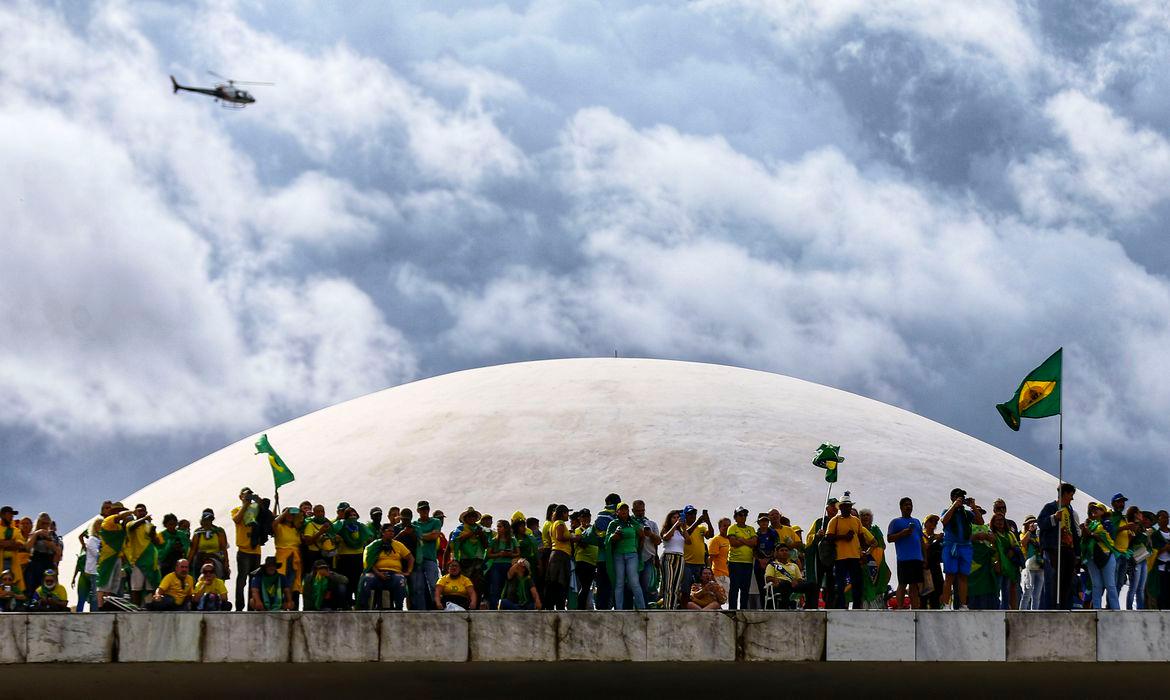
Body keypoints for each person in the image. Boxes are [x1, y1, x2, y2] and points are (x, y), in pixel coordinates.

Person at [825, 495, 875, 610]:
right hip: (840, 558)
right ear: (841, 507)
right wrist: (844, 537)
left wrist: (863, 552)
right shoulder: (834, 521)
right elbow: (828, 537)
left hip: (855, 557)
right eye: (845, 506)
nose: (847, 508)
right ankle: (841, 607)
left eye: (849, 506)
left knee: (857, 583)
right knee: (841, 584)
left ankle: (856, 607)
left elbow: (861, 538)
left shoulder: (856, 520)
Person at [939, 488, 984, 610]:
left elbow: (980, 521)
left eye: (962, 497)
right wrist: (954, 506)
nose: (961, 499)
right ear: (952, 498)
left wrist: (973, 507)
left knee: (963, 576)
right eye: (958, 497)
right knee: (949, 576)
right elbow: (944, 520)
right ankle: (946, 604)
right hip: (951, 546)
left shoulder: (966, 513)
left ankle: (963, 604)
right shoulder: (947, 511)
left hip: (965, 547)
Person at [1038, 483, 1080, 609]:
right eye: (1070, 495)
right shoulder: (1050, 507)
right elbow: (1041, 523)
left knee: (1067, 580)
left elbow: (1073, 530)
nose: (1072, 498)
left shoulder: (1069, 510)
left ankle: (1063, 607)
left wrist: (1077, 553)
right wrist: (1054, 518)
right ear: (1064, 494)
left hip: (1068, 549)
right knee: (1052, 580)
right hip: (1053, 549)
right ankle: (1049, 609)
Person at [361, 523, 413, 610]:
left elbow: (410, 558)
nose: (392, 533)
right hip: (376, 573)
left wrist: (409, 571)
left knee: (400, 580)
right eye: (389, 531)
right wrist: (378, 573)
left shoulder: (398, 545)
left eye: (393, 531)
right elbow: (368, 562)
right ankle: (364, 608)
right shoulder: (374, 545)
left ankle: (399, 608)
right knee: (366, 580)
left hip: (394, 574)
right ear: (383, 532)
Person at [887, 497, 927, 609]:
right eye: (906, 505)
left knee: (914, 585)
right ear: (901, 507)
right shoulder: (895, 522)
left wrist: (925, 557)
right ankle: (900, 608)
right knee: (903, 583)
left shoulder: (917, 522)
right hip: (904, 558)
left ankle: (915, 608)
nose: (908, 506)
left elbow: (921, 541)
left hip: (917, 558)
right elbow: (889, 538)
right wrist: (902, 534)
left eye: (910, 504)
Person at [605, 502, 645, 610]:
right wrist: (614, 536)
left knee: (634, 581)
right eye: (621, 509)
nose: (624, 511)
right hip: (618, 555)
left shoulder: (633, 523)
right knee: (619, 583)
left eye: (626, 509)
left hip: (632, 555)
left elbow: (642, 536)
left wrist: (638, 549)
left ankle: (642, 609)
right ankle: (619, 609)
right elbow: (607, 539)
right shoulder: (613, 524)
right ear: (617, 512)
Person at [123, 504, 163, 606]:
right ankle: (135, 608)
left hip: (150, 560)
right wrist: (144, 519)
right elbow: (132, 527)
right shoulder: (130, 524)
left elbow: (157, 542)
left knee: (150, 587)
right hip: (138, 560)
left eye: (143, 511)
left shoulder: (149, 525)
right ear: (135, 513)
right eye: (139, 511)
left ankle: (149, 607)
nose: (141, 513)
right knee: (136, 588)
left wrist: (152, 532)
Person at [1083, 502, 1120, 610]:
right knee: (1096, 585)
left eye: (1097, 509)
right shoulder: (1090, 524)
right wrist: (1085, 528)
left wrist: (1091, 534)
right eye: (1093, 509)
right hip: (1092, 557)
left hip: (1106, 555)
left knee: (1110, 585)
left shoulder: (1107, 523)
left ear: (1103, 512)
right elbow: (1084, 538)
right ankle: (1097, 610)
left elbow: (1107, 538)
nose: (1094, 510)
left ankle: (1116, 610)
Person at [96, 502, 134, 609]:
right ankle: (100, 607)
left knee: (113, 584)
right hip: (108, 557)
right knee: (104, 583)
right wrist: (131, 512)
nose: (120, 513)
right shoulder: (108, 521)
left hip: (117, 556)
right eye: (118, 511)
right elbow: (119, 518)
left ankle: (108, 606)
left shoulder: (119, 526)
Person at [331, 505, 370, 607]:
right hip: (344, 558)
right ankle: (346, 604)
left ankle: (359, 605)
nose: (353, 517)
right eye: (350, 515)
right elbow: (331, 532)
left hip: (358, 557)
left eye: (354, 515)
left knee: (358, 582)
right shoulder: (340, 525)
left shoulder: (361, 526)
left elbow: (369, 538)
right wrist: (337, 538)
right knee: (346, 582)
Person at [450, 507, 489, 608]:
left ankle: (476, 607)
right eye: (469, 516)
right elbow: (455, 541)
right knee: (465, 585)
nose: (472, 518)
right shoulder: (460, 529)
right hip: (465, 561)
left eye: (473, 516)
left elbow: (486, 545)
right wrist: (472, 533)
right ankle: (465, 606)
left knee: (478, 585)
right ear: (465, 518)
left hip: (478, 561)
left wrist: (481, 534)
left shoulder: (481, 529)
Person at [231, 490, 263, 611]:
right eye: (246, 494)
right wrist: (245, 504)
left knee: (253, 581)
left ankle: (251, 607)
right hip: (243, 549)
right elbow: (236, 519)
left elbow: (267, 517)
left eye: (250, 494)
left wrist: (259, 502)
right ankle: (239, 607)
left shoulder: (257, 508)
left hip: (256, 550)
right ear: (240, 497)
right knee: (242, 580)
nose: (248, 496)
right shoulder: (237, 509)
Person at [807, 498, 840, 609]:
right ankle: (813, 606)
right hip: (820, 556)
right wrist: (817, 535)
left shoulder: (839, 522)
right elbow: (809, 538)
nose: (835, 508)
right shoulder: (819, 522)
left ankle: (830, 607)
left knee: (832, 583)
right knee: (817, 582)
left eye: (836, 506)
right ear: (827, 508)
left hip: (834, 556)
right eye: (832, 506)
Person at [413, 500, 443, 611]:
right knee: (419, 587)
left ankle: (436, 607)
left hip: (430, 558)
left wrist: (419, 535)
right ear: (418, 510)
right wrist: (428, 535)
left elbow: (434, 536)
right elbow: (429, 535)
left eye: (426, 509)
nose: (424, 511)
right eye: (422, 509)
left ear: (429, 509)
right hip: (417, 560)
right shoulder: (414, 524)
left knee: (434, 585)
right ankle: (421, 610)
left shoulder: (436, 521)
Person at [858, 508, 891, 609]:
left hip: (876, 562)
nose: (865, 517)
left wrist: (871, 550)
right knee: (864, 584)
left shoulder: (875, 529)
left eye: (867, 515)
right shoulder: (858, 530)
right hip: (863, 562)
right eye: (863, 515)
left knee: (878, 582)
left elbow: (882, 545)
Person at [764, 543, 814, 609]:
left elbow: (800, 579)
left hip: (793, 585)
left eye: (786, 550)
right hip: (780, 586)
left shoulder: (794, 565)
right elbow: (768, 578)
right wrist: (778, 580)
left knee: (812, 585)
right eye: (782, 550)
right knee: (786, 583)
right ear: (777, 553)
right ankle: (786, 607)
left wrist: (796, 581)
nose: (784, 552)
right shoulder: (772, 565)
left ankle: (810, 608)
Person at [989, 512, 1023, 609]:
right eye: (997, 520)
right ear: (993, 522)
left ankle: (1006, 611)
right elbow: (991, 549)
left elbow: (1017, 546)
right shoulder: (991, 534)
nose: (1000, 522)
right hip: (997, 567)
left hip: (1009, 568)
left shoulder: (1010, 534)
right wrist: (995, 562)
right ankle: (995, 611)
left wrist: (1013, 550)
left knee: (1006, 593)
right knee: (996, 592)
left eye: (1002, 520)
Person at [24, 512, 62, 598]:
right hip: (36, 563)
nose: (45, 525)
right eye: (43, 523)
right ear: (38, 523)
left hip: (49, 564)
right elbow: (27, 547)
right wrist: (37, 533)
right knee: (33, 588)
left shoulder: (52, 535)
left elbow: (59, 553)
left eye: (47, 523)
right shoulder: (34, 534)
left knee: (49, 588)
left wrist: (51, 545)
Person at [726, 507, 757, 610]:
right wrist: (748, 541)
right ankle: (732, 610)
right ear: (735, 517)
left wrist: (742, 540)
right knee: (734, 587)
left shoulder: (751, 529)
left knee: (745, 588)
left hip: (748, 562)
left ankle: (744, 609)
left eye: (745, 515)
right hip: (735, 562)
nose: (743, 517)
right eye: (740, 515)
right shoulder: (732, 528)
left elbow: (754, 543)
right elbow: (733, 543)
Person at [272, 507, 305, 605]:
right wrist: (285, 512)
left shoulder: (296, 530)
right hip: (282, 558)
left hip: (295, 558)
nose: (290, 516)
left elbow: (302, 519)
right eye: (288, 514)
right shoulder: (279, 527)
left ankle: (289, 604)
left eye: (292, 514)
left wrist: (300, 513)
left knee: (292, 582)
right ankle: (279, 604)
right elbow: (273, 523)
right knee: (281, 581)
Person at [631, 500, 660, 606]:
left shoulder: (651, 524)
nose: (640, 513)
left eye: (642, 510)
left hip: (648, 559)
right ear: (633, 510)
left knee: (647, 585)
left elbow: (658, 541)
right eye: (638, 511)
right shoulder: (630, 523)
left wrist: (650, 534)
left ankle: (646, 607)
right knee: (633, 585)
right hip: (633, 558)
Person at [485, 519, 520, 610]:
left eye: (500, 527)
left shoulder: (512, 540)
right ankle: (494, 608)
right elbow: (489, 554)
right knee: (495, 588)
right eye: (497, 527)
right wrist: (499, 554)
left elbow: (518, 553)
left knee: (508, 588)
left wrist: (510, 554)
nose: (498, 529)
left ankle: (506, 607)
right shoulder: (494, 540)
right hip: (497, 565)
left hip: (509, 566)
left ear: (506, 528)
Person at [187, 509, 229, 582]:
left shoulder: (219, 531)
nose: (207, 521)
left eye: (209, 519)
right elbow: (193, 549)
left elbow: (223, 548)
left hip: (215, 556)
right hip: (201, 557)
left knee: (219, 571)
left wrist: (226, 562)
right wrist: (188, 562)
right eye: (205, 519)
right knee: (197, 571)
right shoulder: (198, 532)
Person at [546, 505, 573, 610]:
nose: (568, 515)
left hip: (554, 555)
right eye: (567, 513)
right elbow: (559, 537)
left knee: (554, 584)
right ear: (563, 513)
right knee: (561, 584)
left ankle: (551, 608)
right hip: (561, 555)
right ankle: (560, 609)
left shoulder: (552, 524)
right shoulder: (560, 523)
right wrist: (573, 537)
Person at [659, 509, 687, 609]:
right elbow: (666, 537)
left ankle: (673, 607)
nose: (676, 519)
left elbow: (688, 541)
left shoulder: (681, 532)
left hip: (680, 557)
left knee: (676, 585)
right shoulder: (666, 529)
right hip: (669, 556)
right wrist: (675, 525)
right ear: (669, 519)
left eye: (678, 517)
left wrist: (684, 528)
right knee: (668, 584)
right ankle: (667, 607)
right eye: (674, 518)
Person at [1124, 506, 1150, 609]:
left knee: (1141, 588)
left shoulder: (1141, 527)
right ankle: (1129, 609)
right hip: (1134, 559)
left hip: (1142, 558)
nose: (1141, 515)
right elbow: (1132, 541)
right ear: (1135, 514)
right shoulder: (1132, 525)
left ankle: (1140, 610)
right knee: (1133, 587)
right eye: (1139, 513)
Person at [573, 509, 599, 609]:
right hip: (583, 561)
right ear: (579, 518)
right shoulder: (579, 530)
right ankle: (580, 609)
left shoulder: (593, 529)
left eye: (588, 516)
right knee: (585, 587)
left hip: (592, 562)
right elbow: (583, 544)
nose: (586, 519)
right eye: (583, 517)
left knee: (588, 587)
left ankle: (583, 607)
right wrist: (589, 537)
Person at [73, 519, 101, 612]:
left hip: (87, 570)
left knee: (91, 596)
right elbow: (79, 562)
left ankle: (89, 613)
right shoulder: (92, 540)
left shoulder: (99, 541)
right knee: (88, 597)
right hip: (89, 571)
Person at [682, 507, 713, 590]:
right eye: (690, 514)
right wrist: (697, 522)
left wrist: (708, 521)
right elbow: (686, 533)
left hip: (700, 564)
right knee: (686, 588)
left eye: (694, 514)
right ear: (685, 515)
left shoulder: (701, 528)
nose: (693, 516)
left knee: (699, 588)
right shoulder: (683, 527)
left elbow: (710, 535)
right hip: (687, 563)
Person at [753, 512, 779, 608]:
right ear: (758, 523)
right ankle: (763, 608)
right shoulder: (755, 535)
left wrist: (768, 560)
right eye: (762, 521)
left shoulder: (773, 533)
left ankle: (773, 608)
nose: (764, 523)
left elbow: (777, 547)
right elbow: (753, 549)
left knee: (773, 586)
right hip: (759, 564)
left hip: (771, 563)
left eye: (766, 521)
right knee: (762, 588)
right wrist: (760, 560)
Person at [1019, 515, 1044, 610]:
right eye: (1030, 522)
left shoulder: (1038, 535)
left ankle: (1035, 613)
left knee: (1037, 595)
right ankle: (1022, 613)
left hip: (1039, 566)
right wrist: (1029, 531)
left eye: (1034, 522)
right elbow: (1023, 543)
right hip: (1028, 568)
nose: (1033, 524)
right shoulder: (1023, 534)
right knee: (1027, 593)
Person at [0, 507, 27, 595]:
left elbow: (20, 544)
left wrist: (4, 543)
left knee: (12, 586)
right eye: (9, 514)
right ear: (2, 515)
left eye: (12, 515)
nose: (12, 516)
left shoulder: (15, 530)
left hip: (12, 563)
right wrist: (12, 542)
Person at [922, 514, 944, 609]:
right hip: (925, 569)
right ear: (925, 523)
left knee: (937, 596)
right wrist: (935, 540)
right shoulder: (921, 535)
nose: (933, 523)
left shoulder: (938, 536)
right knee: (923, 597)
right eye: (931, 521)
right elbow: (925, 547)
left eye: (935, 522)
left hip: (936, 568)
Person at [158, 513, 188, 578]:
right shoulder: (160, 535)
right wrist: (170, 546)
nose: (172, 526)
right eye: (170, 524)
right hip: (165, 563)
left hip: (179, 562)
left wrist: (180, 548)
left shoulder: (182, 535)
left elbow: (186, 550)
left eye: (174, 524)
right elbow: (160, 554)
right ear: (165, 525)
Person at [709, 518, 732, 602]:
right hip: (719, 575)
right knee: (720, 600)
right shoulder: (716, 540)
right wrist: (711, 576)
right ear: (719, 527)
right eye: (724, 526)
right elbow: (710, 559)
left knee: (728, 600)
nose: (727, 528)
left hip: (729, 575)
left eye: (729, 526)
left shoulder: (731, 540)